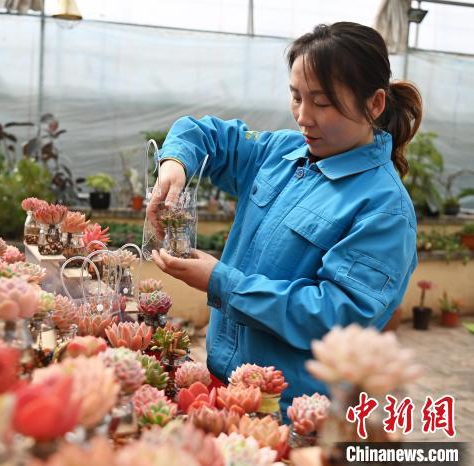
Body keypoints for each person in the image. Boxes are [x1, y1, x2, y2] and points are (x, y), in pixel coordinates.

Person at [148, 22, 422, 416]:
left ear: (375, 103)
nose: (303, 117)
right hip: (225, 385)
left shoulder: (384, 209)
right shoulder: (280, 152)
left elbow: (336, 317)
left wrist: (221, 282)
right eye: (296, 97)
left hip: (291, 412)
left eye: (322, 102)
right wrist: (174, 164)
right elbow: (201, 133)